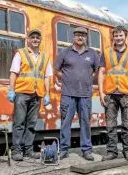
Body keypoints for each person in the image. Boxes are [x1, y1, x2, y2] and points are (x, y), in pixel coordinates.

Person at [54, 27, 100, 161]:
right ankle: (63, 150)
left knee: (85, 122)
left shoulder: (92, 53)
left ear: (86, 38)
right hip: (68, 93)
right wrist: (66, 78)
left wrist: (89, 78)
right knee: (65, 122)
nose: (80, 37)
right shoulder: (64, 52)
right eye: (78, 35)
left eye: (83, 35)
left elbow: (97, 70)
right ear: (73, 36)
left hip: (85, 94)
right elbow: (56, 70)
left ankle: (86, 150)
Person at [7, 29, 53, 161]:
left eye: (37, 38)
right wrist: (11, 90)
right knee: (19, 123)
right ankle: (16, 151)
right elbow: (13, 73)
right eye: (32, 37)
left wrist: (47, 94)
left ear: (40, 40)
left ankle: (28, 150)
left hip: (37, 94)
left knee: (31, 124)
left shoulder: (45, 57)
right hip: (21, 93)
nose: (35, 40)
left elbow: (47, 76)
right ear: (28, 39)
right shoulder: (20, 53)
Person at [98, 25, 128, 162]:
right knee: (110, 125)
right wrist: (100, 92)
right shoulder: (106, 52)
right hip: (110, 94)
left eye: (121, 35)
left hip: (127, 93)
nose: (118, 38)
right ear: (113, 37)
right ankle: (112, 152)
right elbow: (101, 73)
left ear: (125, 36)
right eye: (116, 35)